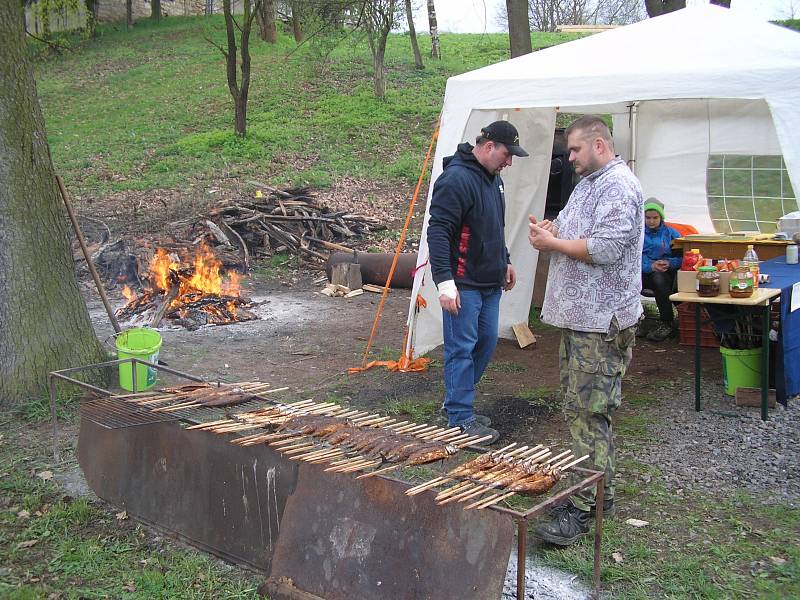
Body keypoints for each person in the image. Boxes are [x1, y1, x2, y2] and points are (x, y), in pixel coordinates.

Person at [527, 115, 643, 545]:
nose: (569, 157)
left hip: (601, 323)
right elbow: (580, 229)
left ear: (599, 144)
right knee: (578, 411)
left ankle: (586, 508)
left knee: (590, 415)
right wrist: (553, 229)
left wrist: (552, 245)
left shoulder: (618, 186)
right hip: (581, 321)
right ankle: (593, 493)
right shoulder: (590, 183)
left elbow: (607, 248)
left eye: (574, 150)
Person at [427, 120, 529, 445]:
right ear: (487, 147)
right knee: (461, 349)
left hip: (490, 281)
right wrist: (445, 283)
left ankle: (454, 407)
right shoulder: (456, 179)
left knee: (485, 343)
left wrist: (506, 260)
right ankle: (459, 419)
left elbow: (493, 227)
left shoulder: (493, 179)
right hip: (463, 283)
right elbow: (438, 231)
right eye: (506, 154)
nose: (510, 161)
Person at [640, 197, 682, 342]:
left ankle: (666, 323)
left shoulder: (672, 234)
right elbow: (631, 259)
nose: (651, 221)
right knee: (625, 279)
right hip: (642, 272)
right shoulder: (637, 234)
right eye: (647, 217)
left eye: (655, 217)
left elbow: (682, 258)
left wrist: (669, 263)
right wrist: (650, 266)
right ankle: (634, 321)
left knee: (659, 279)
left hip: (665, 273)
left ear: (661, 217)